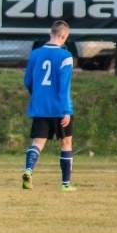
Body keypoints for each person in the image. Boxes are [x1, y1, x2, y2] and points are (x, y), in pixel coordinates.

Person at [21, 20, 76, 192]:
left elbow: (27, 80)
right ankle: (65, 184)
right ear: (64, 36)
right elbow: (64, 85)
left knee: (37, 142)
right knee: (66, 143)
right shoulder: (65, 57)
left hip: (40, 106)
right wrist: (66, 110)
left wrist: (37, 94)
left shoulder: (35, 54)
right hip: (59, 108)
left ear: (50, 33)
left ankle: (28, 170)